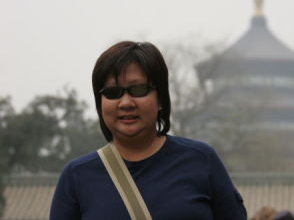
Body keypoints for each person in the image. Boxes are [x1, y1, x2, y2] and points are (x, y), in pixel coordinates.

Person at [49, 41, 247, 220]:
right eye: (112, 92)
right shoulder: (77, 177)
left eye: (138, 90)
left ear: (161, 98)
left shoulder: (201, 161)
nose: (126, 103)